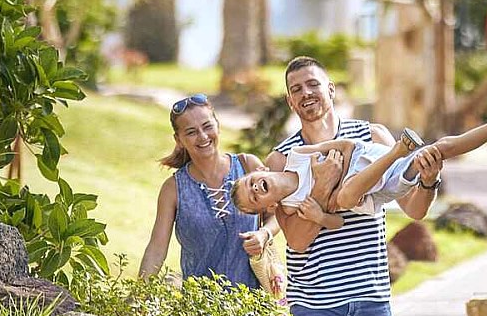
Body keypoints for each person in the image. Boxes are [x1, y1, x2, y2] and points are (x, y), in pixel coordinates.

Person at [259, 56, 443, 316]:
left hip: (370, 298)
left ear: (331, 89)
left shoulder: (373, 137)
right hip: (313, 306)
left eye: (313, 84)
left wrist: (429, 180)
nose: (306, 93)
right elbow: (297, 240)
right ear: (290, 101)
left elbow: (414, 209)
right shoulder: (281, 160)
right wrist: (323, 186)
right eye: (296, 89)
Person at [234, 89, 487, 252]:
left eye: (251, 183)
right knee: (346, 197)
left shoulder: (298, 154)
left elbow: (346, 146)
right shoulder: (294, 207)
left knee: (443, 147)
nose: (255, 189)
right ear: (269, 207)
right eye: (254, 198)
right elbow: (336, 220)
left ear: (260, 170)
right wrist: (320, 214)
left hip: (370, 158)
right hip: (378, 189)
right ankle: (400, 151)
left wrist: (335, 173)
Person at [139, 93, 342, 294]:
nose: (203, 136)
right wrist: (138, 296)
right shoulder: (173, 189)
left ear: (217, 125)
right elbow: (156, 249)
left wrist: (264, 234)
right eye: (191, 132)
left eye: (207, 126)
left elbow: (279, 213)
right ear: (179, 140)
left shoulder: (248, 166)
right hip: (199, 308)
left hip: (254, 304)